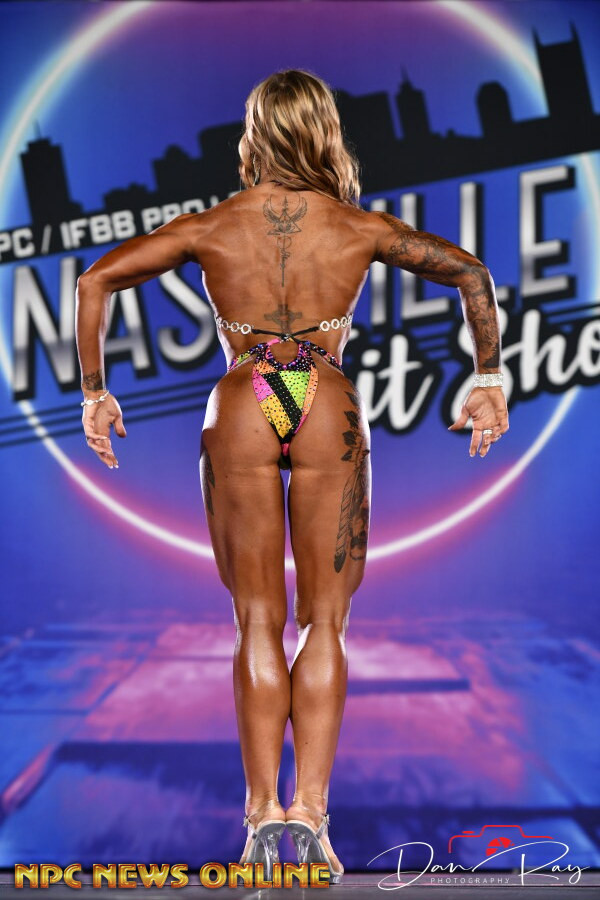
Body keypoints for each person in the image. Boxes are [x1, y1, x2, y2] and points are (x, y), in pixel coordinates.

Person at [75, 68, 509, 883]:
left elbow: (94, 279)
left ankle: (260, 815)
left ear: (254, 136)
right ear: (325, 133)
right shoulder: (358, 227)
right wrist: (488, 378)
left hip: (243, 395)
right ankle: (310, 811)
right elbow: (471, 274)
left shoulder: (212, 225)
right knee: (325, 623)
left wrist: (96, 394)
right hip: (326, 397)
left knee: (254, 621)